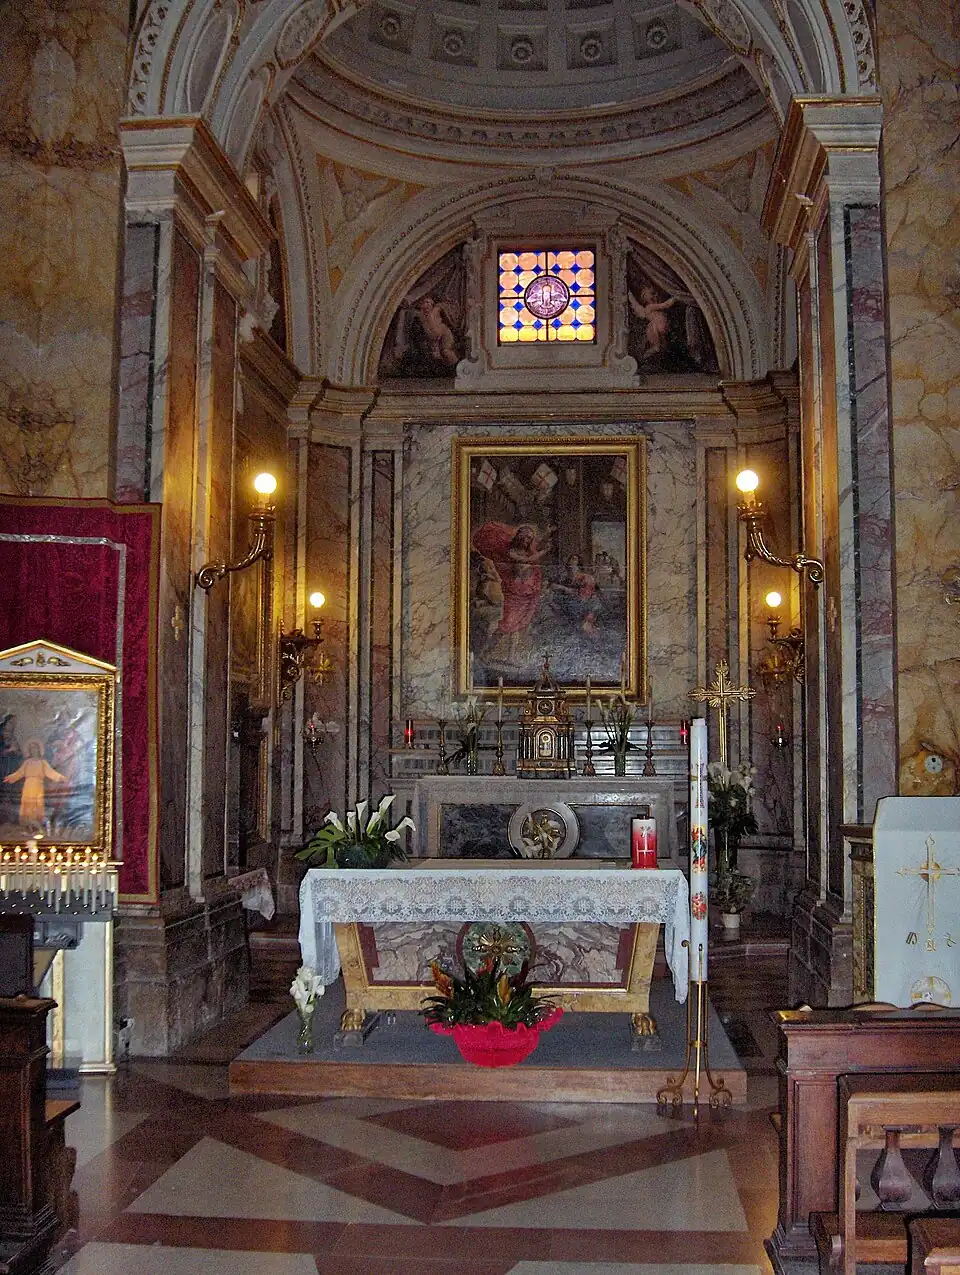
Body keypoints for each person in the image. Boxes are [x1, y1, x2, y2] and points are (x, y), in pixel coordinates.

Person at [471, 521, 555, 663]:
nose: (525, 540)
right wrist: (544, 551)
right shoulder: (511, 551)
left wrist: (546, 533)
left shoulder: (529, 550)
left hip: (527, 593)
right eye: (523, 536)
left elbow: (537, 545)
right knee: (507, 624)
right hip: (514, 592)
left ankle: (511, 657)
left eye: (529, 538)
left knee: (516, 626)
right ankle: (486, 652)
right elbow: (527, 560)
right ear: (518, 536)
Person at [3, 739, 65, 828]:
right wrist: (10, 777)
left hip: (38, 786)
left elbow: (50, 772)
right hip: (28, 786)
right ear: (29, 751)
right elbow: (19, 773)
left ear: (39, 749)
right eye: (31, 748)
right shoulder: (27, 762)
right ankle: (27, 825)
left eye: (35, 748)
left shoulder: (43, 762)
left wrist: (60, 777)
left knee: (37, 804)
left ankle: (36, 825)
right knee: (27, 804)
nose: (33, 750)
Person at [551, 553, 602, 633]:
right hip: (570, 602)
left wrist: (563, 588)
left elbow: (585, 594)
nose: (571, 562)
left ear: (579, 563)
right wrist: (562, 588)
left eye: (574, 559)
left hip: (583, 603)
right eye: (570, 559)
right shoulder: (565, 577)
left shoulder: (586, 577)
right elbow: (554, 586)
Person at [628, 283, 678, 359]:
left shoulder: (653, 307)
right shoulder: (649, 307)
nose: (656, 296)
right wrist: (675, 298)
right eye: (652, 294)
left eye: (656, 294)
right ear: (645, 296)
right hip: (655, 329)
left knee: (662, 347)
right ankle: (644, 357)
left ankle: (652, 358)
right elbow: (665, 305)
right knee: (657, 347)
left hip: (659, 329)